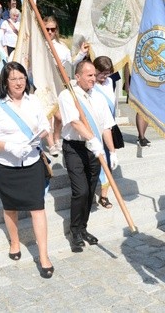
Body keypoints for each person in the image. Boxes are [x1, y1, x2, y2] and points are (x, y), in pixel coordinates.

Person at [0, 61, 54, 278]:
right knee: (10, 207)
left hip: (31, 162)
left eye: (22, 78)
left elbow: (45, 127)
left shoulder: (34, 102)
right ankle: (14, 242)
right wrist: (9, 147)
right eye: (13, 79)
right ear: (5, 81)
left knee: (37, 207)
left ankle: (43, 255)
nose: (19, 82)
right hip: (6, 165)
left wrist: (34, 140)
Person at [57, 60, 118, 253]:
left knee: (91, 191)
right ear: (78, 76)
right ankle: (74, 232)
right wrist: (92, 139)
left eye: (94, 75)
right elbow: (75, 122)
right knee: (81, 191)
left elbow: (107, 127)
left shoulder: (98, 97)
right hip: (75, 147)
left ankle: (83, 228)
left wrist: (112, 151)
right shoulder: (68, 95)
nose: (93, 79)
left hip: (95, 149)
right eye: (89, 75)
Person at [43, 15, 89, 157]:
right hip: (44, 84)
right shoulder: (38, 45)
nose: (50, 32)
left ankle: (56, 138)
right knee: (47, 115)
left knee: (59, 116)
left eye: (53, 29)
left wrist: (82, 52)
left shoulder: (61, 47)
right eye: (47, 29)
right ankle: (51, 144)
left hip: (60, 83)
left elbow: (72, 61)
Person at [93, 56, 120, 209]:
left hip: (109, 126)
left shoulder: (109, 82)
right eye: (101, 73)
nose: (104, 77)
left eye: (107, 73)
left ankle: (104, 196)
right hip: (94, 127)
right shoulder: (90, 84)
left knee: (108, 161)